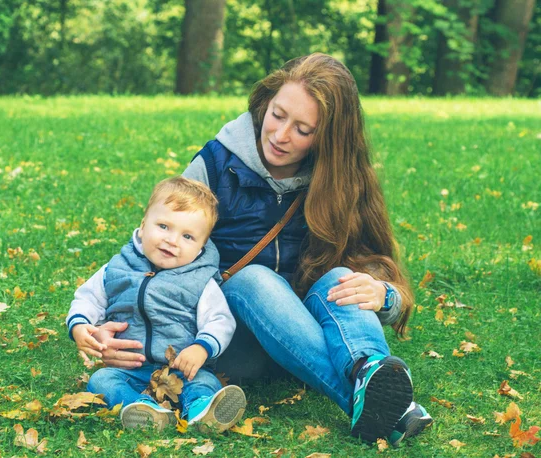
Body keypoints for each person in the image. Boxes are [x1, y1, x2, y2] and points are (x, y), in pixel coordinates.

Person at [89, 53, 432, 445]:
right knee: (253, 279)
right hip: (225, 337)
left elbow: (380, 267)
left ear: (329, 139)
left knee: (342, 278)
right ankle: (392, 410)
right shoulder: (216, 164)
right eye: (277, 115)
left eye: (303, 129)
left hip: (304, 335)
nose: (281, 135)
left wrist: (382, 293)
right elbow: (157, 248)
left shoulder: (345, 179)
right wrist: (111, 323)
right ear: (264, 103)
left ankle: (368, 369)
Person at [66, 176, 246, 433]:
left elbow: (220, 320)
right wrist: (80, 326)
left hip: (181, 370)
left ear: (200, 247)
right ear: (142, 225)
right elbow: (88, 297)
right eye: (163, 226)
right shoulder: (118, 267)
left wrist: (202, 347)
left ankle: (201, 410)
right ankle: (142, 409)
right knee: (101, 381)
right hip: (129, 367)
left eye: (187, 236)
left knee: (204, 382)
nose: (172, 240)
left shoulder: (200, 280)